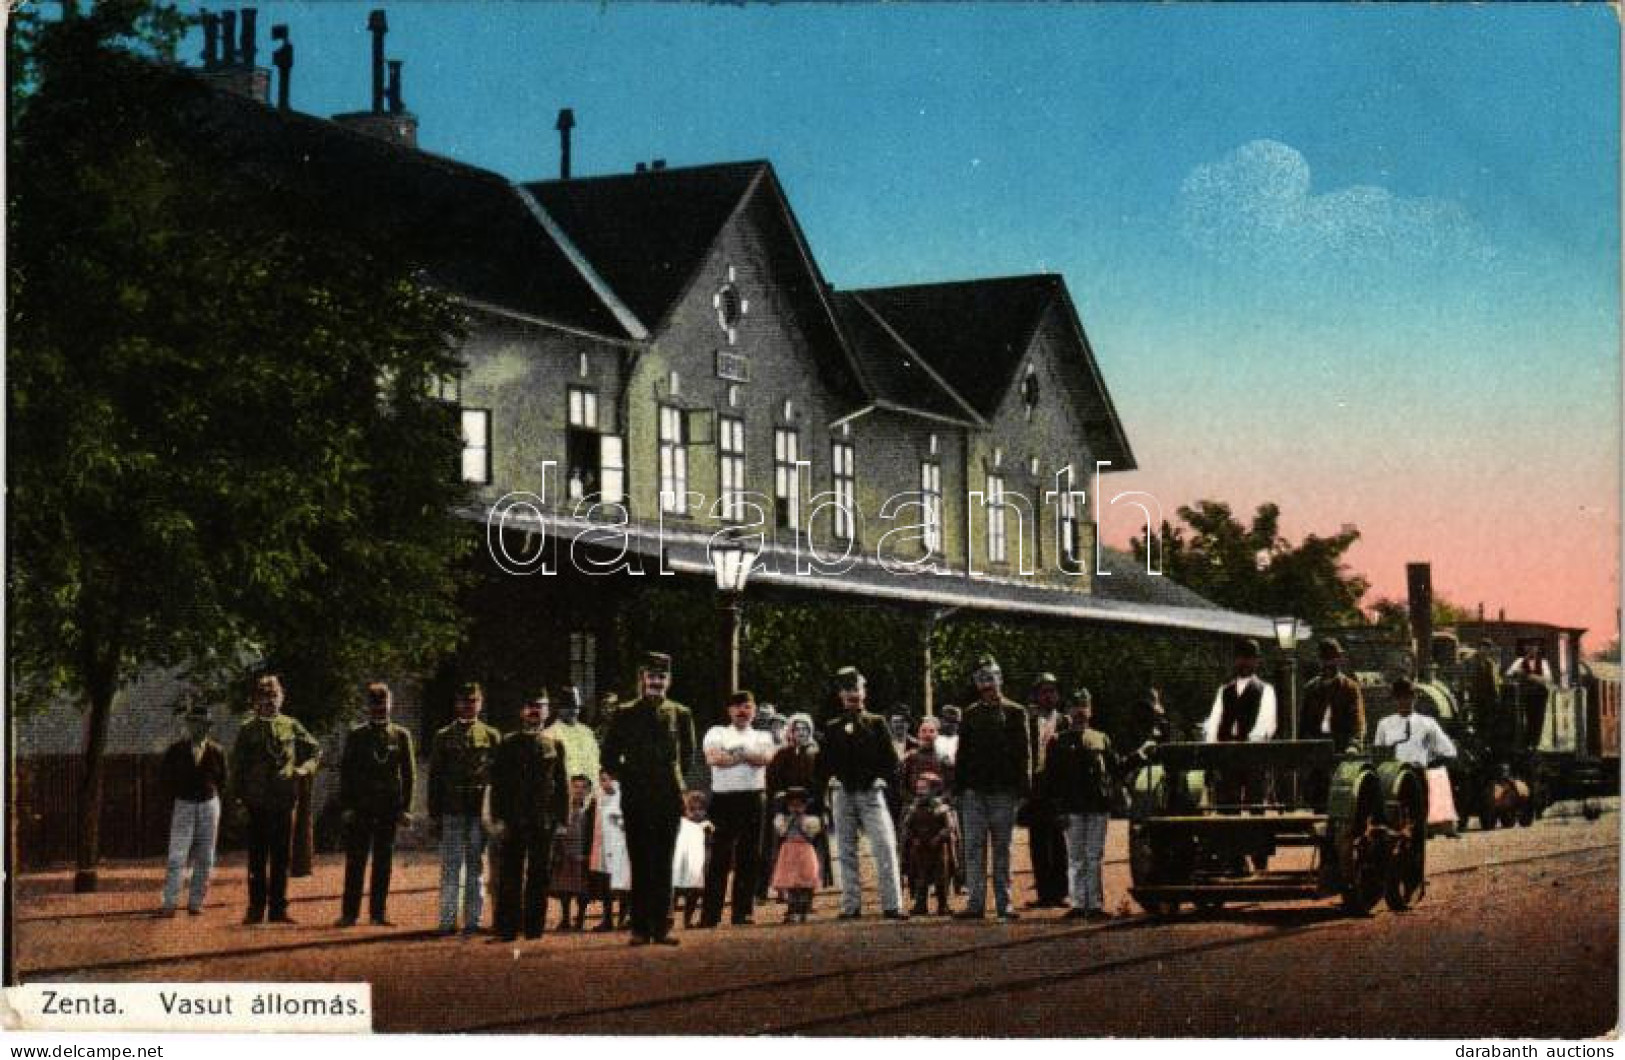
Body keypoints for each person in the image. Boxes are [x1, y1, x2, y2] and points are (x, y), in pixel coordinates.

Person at [600, 651, 688, 945]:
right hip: (637, 796)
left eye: (661, 677)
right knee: (640, 860)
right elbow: (609, 754)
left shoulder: (680, 713)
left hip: (668, 796)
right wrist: (629, 774)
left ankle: (662, 927)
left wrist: (673, 781)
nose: (656, 682)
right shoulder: (625, 713)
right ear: (642, 679)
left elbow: (686, 756)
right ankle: (639, 928)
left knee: (664, 861)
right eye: (651, 677)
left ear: (670, 680)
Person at [815, 666, 907, 920]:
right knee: (845, 850)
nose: (853, 694)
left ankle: (893, 904)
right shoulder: (833, 726)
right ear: (840, 695)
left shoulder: (877, 723)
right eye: (847, 690)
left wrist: (880, 778)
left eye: (857, 689)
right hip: (843, 794)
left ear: (864, 692)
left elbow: (891, 761)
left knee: (884, 846)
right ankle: (850, 905)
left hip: (871, 794)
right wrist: (830, 780)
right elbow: (824, 762)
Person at [231, 673, 321, 925]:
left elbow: (315, 749)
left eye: (273, 696)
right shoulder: (247, 729)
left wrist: (304, 769)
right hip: (256, 801)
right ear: (255, 700)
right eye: (264, 697)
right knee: (257, 858)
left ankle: (279, 909)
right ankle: (256, 908)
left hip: (283, 799)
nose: (269, 701)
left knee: (281, 858)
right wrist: (238, 800)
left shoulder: (291, 725)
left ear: (281, 698)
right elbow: (237, 766)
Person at [953, 655, 1031, 922]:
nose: (987, 684)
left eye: (991, 677)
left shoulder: (1015, 712)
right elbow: (962, 755)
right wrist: (959, 791)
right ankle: (975, 904)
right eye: (981, 679)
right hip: (974, 793)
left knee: (1003, 848)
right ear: (976, 683)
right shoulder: (970, 714)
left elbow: (1024, 755)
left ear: (1000, 678)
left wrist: (1023, 790)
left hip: (1004, 792)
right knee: (973, 849)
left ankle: (1004, 904)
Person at [490, 692, 569, 942]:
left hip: (542, 820)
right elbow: (499, 783)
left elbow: (561, 785)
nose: (534, 711)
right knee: (510, 874)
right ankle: (507, 929)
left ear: (547, 711)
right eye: (529, 706)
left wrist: (562, 820)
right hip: (514, 819)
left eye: (540, 707)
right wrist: (498, 817)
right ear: (521, 711)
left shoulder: (554, 745)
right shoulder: (507, 743)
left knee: (539, 875)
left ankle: (534, 929)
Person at [336, 682, 415, 928]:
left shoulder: (401, 735)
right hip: (361, 807)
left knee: (383, 862)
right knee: (356, 861)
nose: (380, 708)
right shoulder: (357, 735)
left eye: (384, 703)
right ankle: (349, 913)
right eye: (375, 704)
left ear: (391, 704)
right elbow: (347, 773)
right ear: (368, 707)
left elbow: (409, 774)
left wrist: (406, 808)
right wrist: (347, 806)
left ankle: (378, 913)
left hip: (388, 808)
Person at [429, 681, 501, 936]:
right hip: (452, 811)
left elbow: (498, 777)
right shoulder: (443, 736)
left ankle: (473, 920)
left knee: (475, 867)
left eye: (473, 701)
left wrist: (494, 814)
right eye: (463, 701)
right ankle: (447, 920)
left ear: (480, 704)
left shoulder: (492, 736)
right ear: (456, 704)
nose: (468, 706)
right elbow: (435, 778)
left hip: (478, 812)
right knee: (450, 867)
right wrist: (434, 814)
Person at [699, 690, 775, 927]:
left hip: (753, 798)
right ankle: (710, 915)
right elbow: (713, 758)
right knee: (719, 857)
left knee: (749, 856)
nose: (742, 711)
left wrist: (734, 753)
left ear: (753, 711)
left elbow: (764, 758)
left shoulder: (763, 735)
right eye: (737, 707)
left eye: (747, 707)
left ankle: (742, 912)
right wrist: (744, 755)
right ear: (729, 710)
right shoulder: (716, 732)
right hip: (724, 800)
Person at [1042, 689, 1119, 921]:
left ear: (1090, 711)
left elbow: (1115, 768)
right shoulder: (1058, 741)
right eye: (1076, 707)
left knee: (1094, 856)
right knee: (1075, 857)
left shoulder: (1101, 738)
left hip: (1097, 805)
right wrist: (1057, 809)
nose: (1080, 711)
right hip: (1071, 807)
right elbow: (1051, 780)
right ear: (1068, 712)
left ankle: (1094, 903)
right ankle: (1078, 903)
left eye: (1084, 706)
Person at [158, 697, 228, 917]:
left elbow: (224, 780)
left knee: (205, 857)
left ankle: (196, 903)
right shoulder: (175, 751)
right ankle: (169, 903)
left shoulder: (217, 751)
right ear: (188, 725)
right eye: (194, 723)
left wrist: (213, 799)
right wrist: (178, 799)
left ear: (208, 727)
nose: (198, 728)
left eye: (203, 724)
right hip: (184, 805)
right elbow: (165, 779)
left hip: (209, 804)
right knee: (177, 856)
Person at [1202, 639, 1277, 816]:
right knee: (1227, 806)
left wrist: (1249, 744)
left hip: (1254, 756)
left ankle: (1257, 841)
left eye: (1249, 658)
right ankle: (1229, 842)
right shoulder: (1225, 691)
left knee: (1256, 805)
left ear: (1256, 662)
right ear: (1236, 660)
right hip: (1227, 755)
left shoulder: (1265, 690)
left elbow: (1266, 724)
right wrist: (1211, 747)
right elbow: (1214, 722)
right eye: (1241, 658)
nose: (1245, 662)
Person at [1374, 677, 1459, 827]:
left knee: (1416, 823)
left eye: (1408, 697)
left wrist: (1431, 764)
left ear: (1415, 698)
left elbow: (1449, 751)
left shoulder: (1427, 723)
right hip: (1390, 778)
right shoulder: (1384, 724)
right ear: (1394, 700)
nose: (1404, 702)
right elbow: (1378, 752)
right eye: (1399, 698)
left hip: (1417, 776)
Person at [764, 712, 824, 898]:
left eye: (805, 729)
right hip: (785, 805)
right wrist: (780, 795)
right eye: (797, 729)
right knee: (783, 847)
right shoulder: (782, 754)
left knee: (810, 848)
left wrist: (815, 799)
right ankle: (783, 887)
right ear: (791, 731)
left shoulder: (817, 753)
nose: (801, 732)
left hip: (811, 805)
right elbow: (772, 779)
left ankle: (809, 888)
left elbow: (822, 779)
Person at [1023, 673, 1070, 909]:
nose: (1048, 696)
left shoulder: (1065, 722)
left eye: (1052, 691)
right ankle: (1044, 892)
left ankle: (1061, 891)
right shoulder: (1028, 721)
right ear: (1036, 695)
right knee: (1038, 840)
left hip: (1058, 786)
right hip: (1036, 785)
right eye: (1044, 691)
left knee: (1059, 839)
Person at [901, 773, 958, 917]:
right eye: (918, 788)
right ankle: (920, 905)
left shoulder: (942, 808)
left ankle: (943, 905)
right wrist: (913, 838)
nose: (920, 792)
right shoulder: (914, 808)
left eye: (924, 788)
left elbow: (949, 827)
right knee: (921, 879)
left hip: (939, 850)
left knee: (941, 879)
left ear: (934, 790)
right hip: (920, 850)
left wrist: (939, 837)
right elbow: (907, 827)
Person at [1301, 639, 1366, 749]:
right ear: (1320, 660)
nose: (1330, 662)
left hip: (1342, 746)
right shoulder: (1311, 688)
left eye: (1334, 658)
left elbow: (1357, 721)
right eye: (1326, 658)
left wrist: (1354, 745)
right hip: (1315, 746)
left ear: (1339, 659)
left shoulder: (1350, 687)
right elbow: (1304, 723)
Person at [769, 787, 822, 922]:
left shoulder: (811, 820)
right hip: (789, 851)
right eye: (792, 805)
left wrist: (801, 821)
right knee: (791, 881)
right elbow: (782, 832)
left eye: (799, 805)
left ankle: (806, 907)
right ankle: (792, 908)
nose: (796, 808)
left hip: (805, 850)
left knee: (806, 879)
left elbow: (811, 834)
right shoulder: (782, 819)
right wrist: (791, 820)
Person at [589, 770, 632, 932]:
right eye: (602, 780)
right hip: (603, 846)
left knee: (623, 883)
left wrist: (620, 820)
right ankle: (607, 919)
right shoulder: (599, 797)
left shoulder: (624, 795)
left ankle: (624, 917)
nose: (604, 784)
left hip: (621, 845)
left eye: (607, 780)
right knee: (606, 883)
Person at [551, 775, 595, 931]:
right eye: (575, 786)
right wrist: (557, 851)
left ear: (589, 791)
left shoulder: (590, 812)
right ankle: (565, 918)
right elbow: (557, 831)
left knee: (582, 889)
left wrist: (588, 854)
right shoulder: (563, 810)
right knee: (564, 889)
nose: (579, 791)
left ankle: (580, 919)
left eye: (583, 787)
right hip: (565, 853)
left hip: (582, 854)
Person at [543, 688, 601, 791]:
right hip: (565, 794)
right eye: (568, 707)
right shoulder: (549, 734)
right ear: (559, 708)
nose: (573, 711)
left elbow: (595, 764)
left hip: (591, 793)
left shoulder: (587, 732)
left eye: (576, 707)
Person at [672, 790, 712, 928]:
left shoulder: (707, 826)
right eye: (692, 809)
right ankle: (668, 919)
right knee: (674, 893)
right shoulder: (681, 824)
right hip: (681, 867)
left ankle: (687, 920)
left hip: (697, 868)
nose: (696, 812)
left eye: (700, 809)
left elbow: (708, 847)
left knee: (694, 894)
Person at [897, 716, 956, 803]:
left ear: (937, 734)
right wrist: (913, 800)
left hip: (940, 807)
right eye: (923, 731)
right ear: (918, 734)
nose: (927, 735)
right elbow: (901, 786)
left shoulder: (944, 758)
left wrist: (941, 799)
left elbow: (952, 786)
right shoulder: (909, 758)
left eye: (931, 731)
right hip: (913, 807)